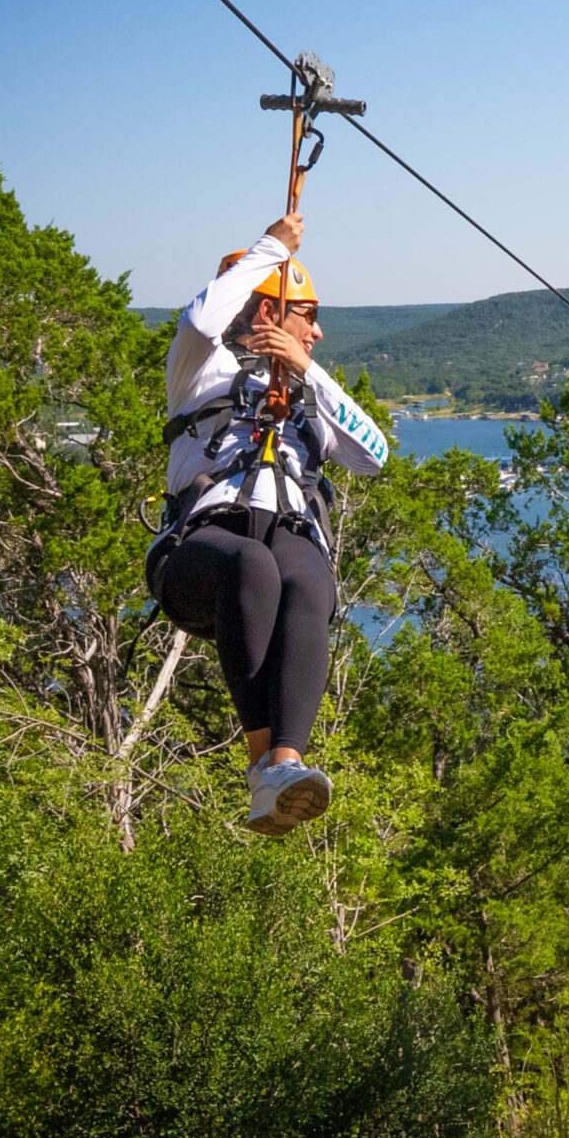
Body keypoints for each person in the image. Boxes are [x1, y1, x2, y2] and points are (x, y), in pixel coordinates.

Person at [147, 211, 390, 835]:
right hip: (204, 546)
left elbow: (375, 454)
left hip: (287, 531)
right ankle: (261, 764)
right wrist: (270, 249)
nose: (318, 330)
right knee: (252, 566)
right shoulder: (199, 374)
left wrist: (305, 372)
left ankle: (286, 763)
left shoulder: (310, 393)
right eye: (307, 314)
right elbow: (202, 320)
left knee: (310, 582)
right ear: (266, 314)